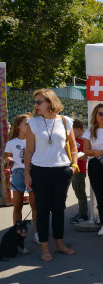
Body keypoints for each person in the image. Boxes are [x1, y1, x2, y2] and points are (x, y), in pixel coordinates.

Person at [25, 89, 78, 261]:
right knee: (42, 210)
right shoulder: (33, 123)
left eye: (39, 102)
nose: (36, 105)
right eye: (35, 102)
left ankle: (59, 244)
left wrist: (74, 165)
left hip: (62, 170)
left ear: (50, 102)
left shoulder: (66, 121)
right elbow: (29, 151)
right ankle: (44, 248)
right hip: (39, 170)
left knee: (58, 209)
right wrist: (27, 173)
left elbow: (73, 145)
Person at [82, 103, 103, 236]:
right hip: (95, 164)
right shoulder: (90, 131)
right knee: (100, 194)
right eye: (101, 113)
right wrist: (99, 152)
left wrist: (101, 152)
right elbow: (86, 150)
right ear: (95, 115)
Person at [4, 113, 38, 243]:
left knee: (35, 207)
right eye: (26, 123)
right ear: (18, 126)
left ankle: (37, 234)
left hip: (32, 172)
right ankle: (17, 235)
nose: (29, 126)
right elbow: (7, 158)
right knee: (17, 207)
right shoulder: (11, 143)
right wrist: (8, 159)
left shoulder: (35, 140)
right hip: (17, 173)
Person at [70, 119, 88, 224]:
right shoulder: (73, 140)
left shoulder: (83, 140)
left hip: (80, 170)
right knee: (77, 191)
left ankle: (83, 214)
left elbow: (85, 156)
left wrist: (74, 156)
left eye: (72, 131)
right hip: (74, 171)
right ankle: (81, 212)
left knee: (80, 192)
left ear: (78, 129)